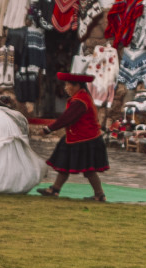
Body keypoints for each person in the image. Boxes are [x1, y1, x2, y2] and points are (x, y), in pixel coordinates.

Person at [36, 71, 108, 201]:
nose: (66, 88)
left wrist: (48, 129)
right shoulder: (80, 98)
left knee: (89, 169)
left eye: (68, 85)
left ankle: (99, 194)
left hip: (86, 138)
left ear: (77, 86)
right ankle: (55, 189)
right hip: (76, 136)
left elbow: (67, 118)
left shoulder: (80, 101)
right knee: (65, 163)